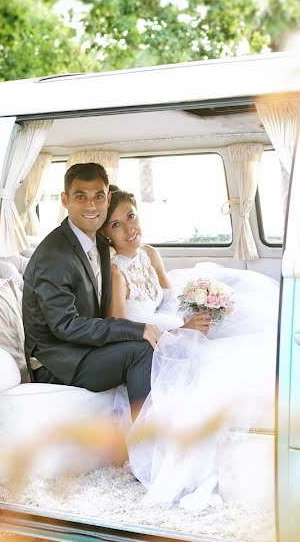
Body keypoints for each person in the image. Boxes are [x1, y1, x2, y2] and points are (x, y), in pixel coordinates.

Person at [99, 185, 279, 511]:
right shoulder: (115, 272)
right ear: (106, 235)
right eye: (116, 224)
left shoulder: (150, 254)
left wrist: (195, 317)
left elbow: (169, 303)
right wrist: (180, 333)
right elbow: (121, 331)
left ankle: (240, 456)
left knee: (236, 351)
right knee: (213, 367)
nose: (129, 228)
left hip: (172, 331)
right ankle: (197, 465)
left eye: (131, 216)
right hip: (148, 346)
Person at [22, 164, 162, 415]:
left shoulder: (97, 241)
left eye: (98, 196)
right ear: (65, 200)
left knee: (159, 348)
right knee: (140, 352)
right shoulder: (53, 255)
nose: (91, 206)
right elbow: (66, 325)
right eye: (80, 197)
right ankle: (144, 447)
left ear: (108, 198)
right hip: (57, 362)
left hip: (83, 348)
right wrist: (134, 329)